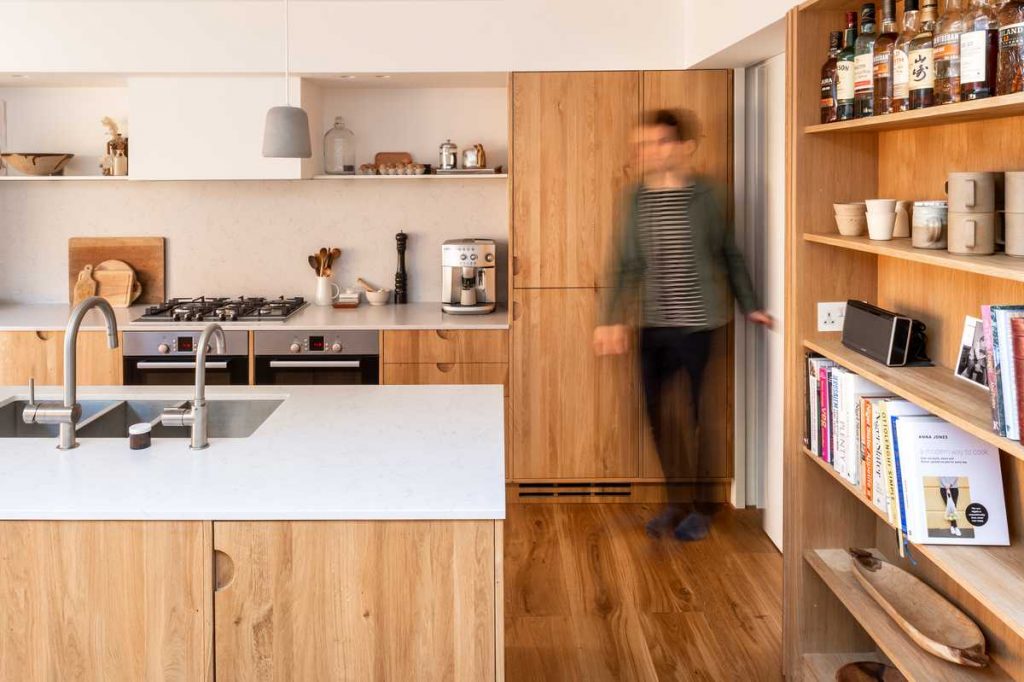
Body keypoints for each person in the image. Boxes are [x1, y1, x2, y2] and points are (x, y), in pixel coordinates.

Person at [593, 108, 772, 542]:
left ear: (683, 146)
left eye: (657, 142)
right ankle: (676, 501)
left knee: (697, 418)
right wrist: (612, 319)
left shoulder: (709, 196)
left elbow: (730, 252)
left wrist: (750, 305)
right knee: (658, 418)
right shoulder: (636, 197)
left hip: (699, 323)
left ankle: (701, 508)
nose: (648, 152)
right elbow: (624, 263)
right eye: (642, 144)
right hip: (653, 324)